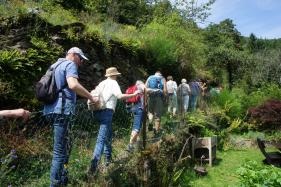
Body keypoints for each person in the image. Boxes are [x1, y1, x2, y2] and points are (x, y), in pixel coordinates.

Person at [43, 47, 97, 187]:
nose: (81, 63)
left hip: (49, 110)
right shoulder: (70, 64)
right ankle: (55, 184)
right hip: (62, 110)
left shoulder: (54, 65)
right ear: (73, 55)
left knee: (64, 146)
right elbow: (73, 85)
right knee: (59, 152)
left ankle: (62, 179)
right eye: (80, 59)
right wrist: (91, 96)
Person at [88, 67, 141, 174]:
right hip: (106, 112)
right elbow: (120, 96)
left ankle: (108, 159)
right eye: (116, 74)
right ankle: (93, 167)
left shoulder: (101, 83)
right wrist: (134, 94)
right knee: (101, 139)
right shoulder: (113, 83)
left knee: (108, 134)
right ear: (114, 75)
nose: (117, 76)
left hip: (96, 111)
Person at [126, 80, 146, 153]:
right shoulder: (139, 86)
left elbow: (127, 101)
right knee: (136, 128)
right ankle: (130, 145)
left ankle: (138, 144)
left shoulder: (129, 89)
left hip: (132, 107)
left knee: (138, 126)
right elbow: (146, 89)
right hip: (139, 108)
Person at [145, 71, 167, 136]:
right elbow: (165, 90)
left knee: (150, 112)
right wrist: (165, 98)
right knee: (158, 115)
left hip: (150, 97)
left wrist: (145, 99)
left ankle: (150, 122)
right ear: (160, 74)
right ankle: (156, 132)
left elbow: (145, 88)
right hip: (159, 98)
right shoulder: (162, 78)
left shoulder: (149, 77)